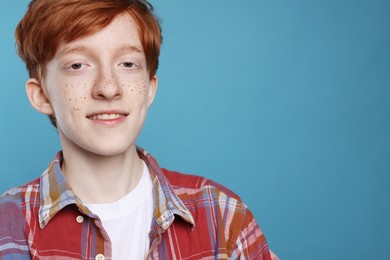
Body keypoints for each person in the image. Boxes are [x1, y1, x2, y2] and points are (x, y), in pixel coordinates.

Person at [0, 0, 277, 259]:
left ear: (149, 88)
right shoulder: (7, 227)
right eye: (77, 65)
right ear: (42, 96)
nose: (109, 88)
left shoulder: (222, 216)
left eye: (128, 64)